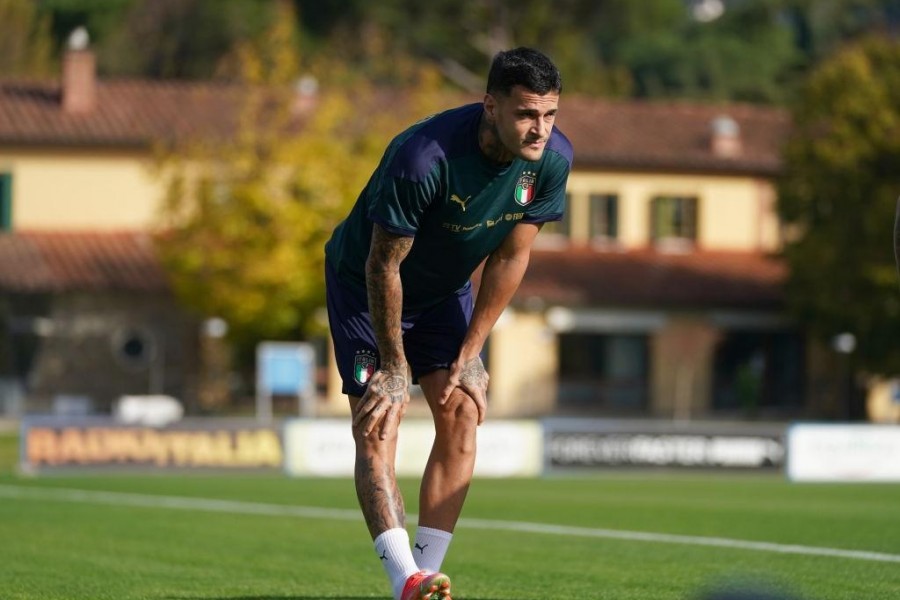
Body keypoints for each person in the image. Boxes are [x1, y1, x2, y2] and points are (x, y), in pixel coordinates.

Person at [323, 47, 572, 600]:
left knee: (462, 409)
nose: (540, 129)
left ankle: (427, 577)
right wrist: (393, 364)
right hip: (365, 289)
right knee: (380, 420)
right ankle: (402, 579)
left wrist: (473, 350)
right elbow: (383, 264)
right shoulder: (423, 158)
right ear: (490, 106)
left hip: (444, 293)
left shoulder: (552, 161)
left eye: (550, 113)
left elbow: (510, 258)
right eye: (527, 114)